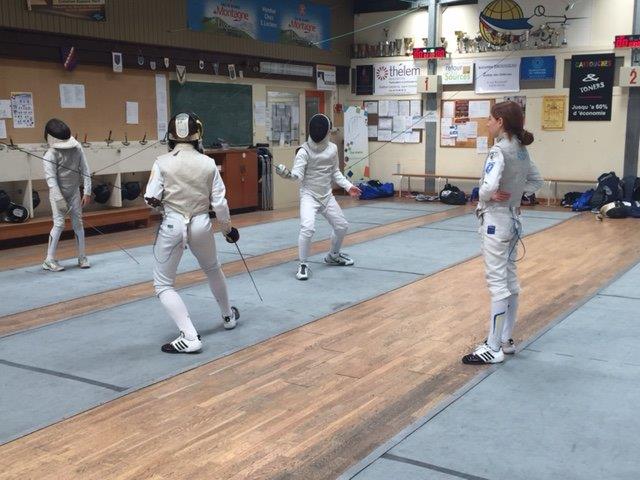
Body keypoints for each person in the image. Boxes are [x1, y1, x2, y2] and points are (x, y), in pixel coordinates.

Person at [145, 112, 240, 354]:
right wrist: (227, 230)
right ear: (198, 135)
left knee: (163, 284)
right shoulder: (208, 163)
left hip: (172, 225)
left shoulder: (161, 162)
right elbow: (220, 203)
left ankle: (189, 336)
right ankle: (228, 316)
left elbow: (150, 197)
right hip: (200, 224)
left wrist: (161, 203)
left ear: (171, 136)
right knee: (213, 268)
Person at [462, 101, 544, 365]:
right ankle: (506, 340)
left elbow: (487, 188)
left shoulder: (499, 150)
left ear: (500, 121)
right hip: (513, 220)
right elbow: (537, 181)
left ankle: (493, 346)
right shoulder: (521, 149)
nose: (487, 123)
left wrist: (488, 195)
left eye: (490, 119)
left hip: (496, 221)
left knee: (498, 283)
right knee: (509, 280)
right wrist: (516, 194)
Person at [275, 113, 362, 280]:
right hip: (309, 195)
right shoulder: (303, 151)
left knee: (342, 226)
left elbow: (335, 172)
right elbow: (297, 176)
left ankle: (333, 256)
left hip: (327, 196)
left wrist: (348, 186)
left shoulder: (332, 149)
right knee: (307, 228)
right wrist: (286, 174)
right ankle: (303, 264)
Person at [42, 118, 92, 272]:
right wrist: (59, 200)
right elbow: (51, 180)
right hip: (58, 193)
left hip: (74, 192)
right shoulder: (50, 155)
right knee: (59, 224)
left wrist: (87, 191)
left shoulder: (76, 147)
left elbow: (85, 169)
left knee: (78, 223)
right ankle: (49, 260)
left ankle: (82, 256)